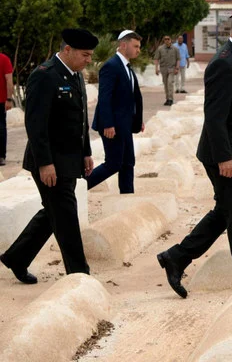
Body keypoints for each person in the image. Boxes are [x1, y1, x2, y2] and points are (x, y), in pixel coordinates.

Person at [157, 4, 232, 298]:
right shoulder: (223, 62)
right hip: (224, 155)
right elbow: (215, 117)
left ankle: (176, 257)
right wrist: (224, 157)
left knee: (226, 213)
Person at [0, 29, 98, 282]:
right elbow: (35, 125)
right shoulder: (44, 76)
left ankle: (16, 257)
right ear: (67, 50)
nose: (89, 60)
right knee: (65, 216)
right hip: (50, 161)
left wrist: (86, 152)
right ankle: (79, 275)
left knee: (54, 211)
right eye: (85, 55)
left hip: (70, 159)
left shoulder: (75, 75)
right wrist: (45, 164)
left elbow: (80, 119)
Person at [87, 30, 144, 194]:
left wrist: (137, 120)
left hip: (125, 125)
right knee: (113, 164)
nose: (138, 50)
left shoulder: (127, 67)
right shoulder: (111, 66)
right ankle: (78, 188)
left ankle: (127, 199)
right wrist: (108, 123)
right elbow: (104, 97)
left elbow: (131, 97)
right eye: (136, 46)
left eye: (139, 47)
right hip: (112, 126)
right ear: (123, 45)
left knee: (128, 163)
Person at [154, 36, 180, 106]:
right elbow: (156, 59)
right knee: (165, 84)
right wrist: (156, 68)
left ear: (170, 40)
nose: (167, 40)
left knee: (170, 83)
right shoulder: (160, 48)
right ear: (163, 40)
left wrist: (177, 68)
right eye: (165, 39)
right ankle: (167, 99)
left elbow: (178, 59)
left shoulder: (175, 49)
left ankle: (171, 99)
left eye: (168, 39)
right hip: (163, 69)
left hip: (172, 68)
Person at [0, 52, 13, 166]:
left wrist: (8, 99)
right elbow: (9, 80)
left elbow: (9, 80)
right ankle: (1, 156)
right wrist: (9, 99)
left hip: (1, 100)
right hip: (2, 100)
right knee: (1, 127)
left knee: (1, 128)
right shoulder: (4, 59)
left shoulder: (4, 59)